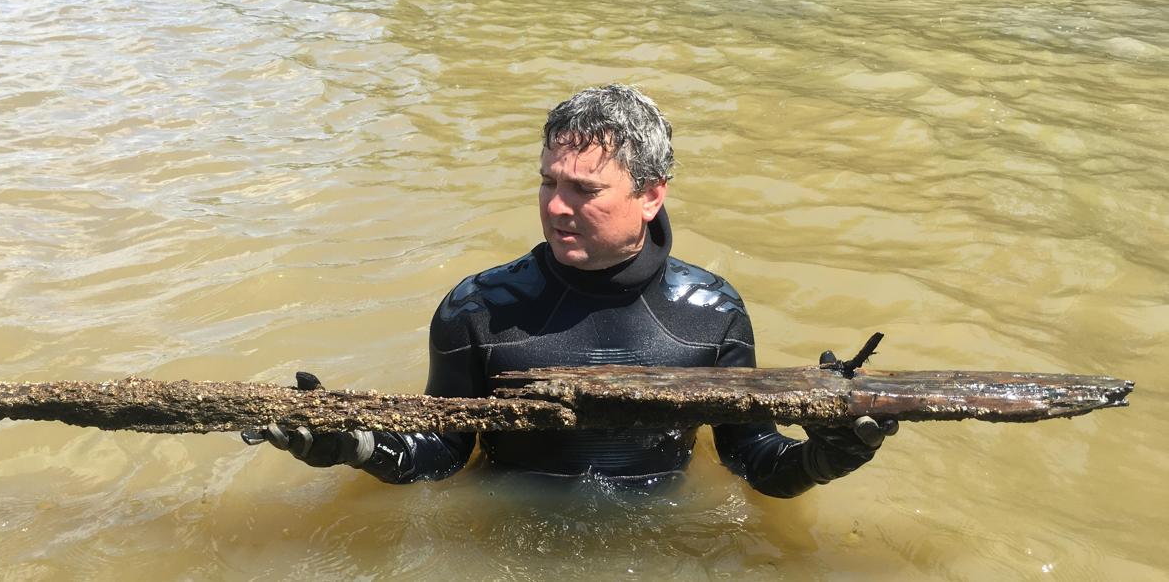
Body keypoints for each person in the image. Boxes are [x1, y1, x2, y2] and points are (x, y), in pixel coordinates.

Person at [245, 84, 895, 496]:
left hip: (657, 544)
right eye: (547, 182)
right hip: (507, 538)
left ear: (650, 194)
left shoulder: (712, 314)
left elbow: (750, 461)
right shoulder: (477, 310)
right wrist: (354, 444)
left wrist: (824, 459)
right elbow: (439, 457)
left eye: (583, 190)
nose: (556, 208)